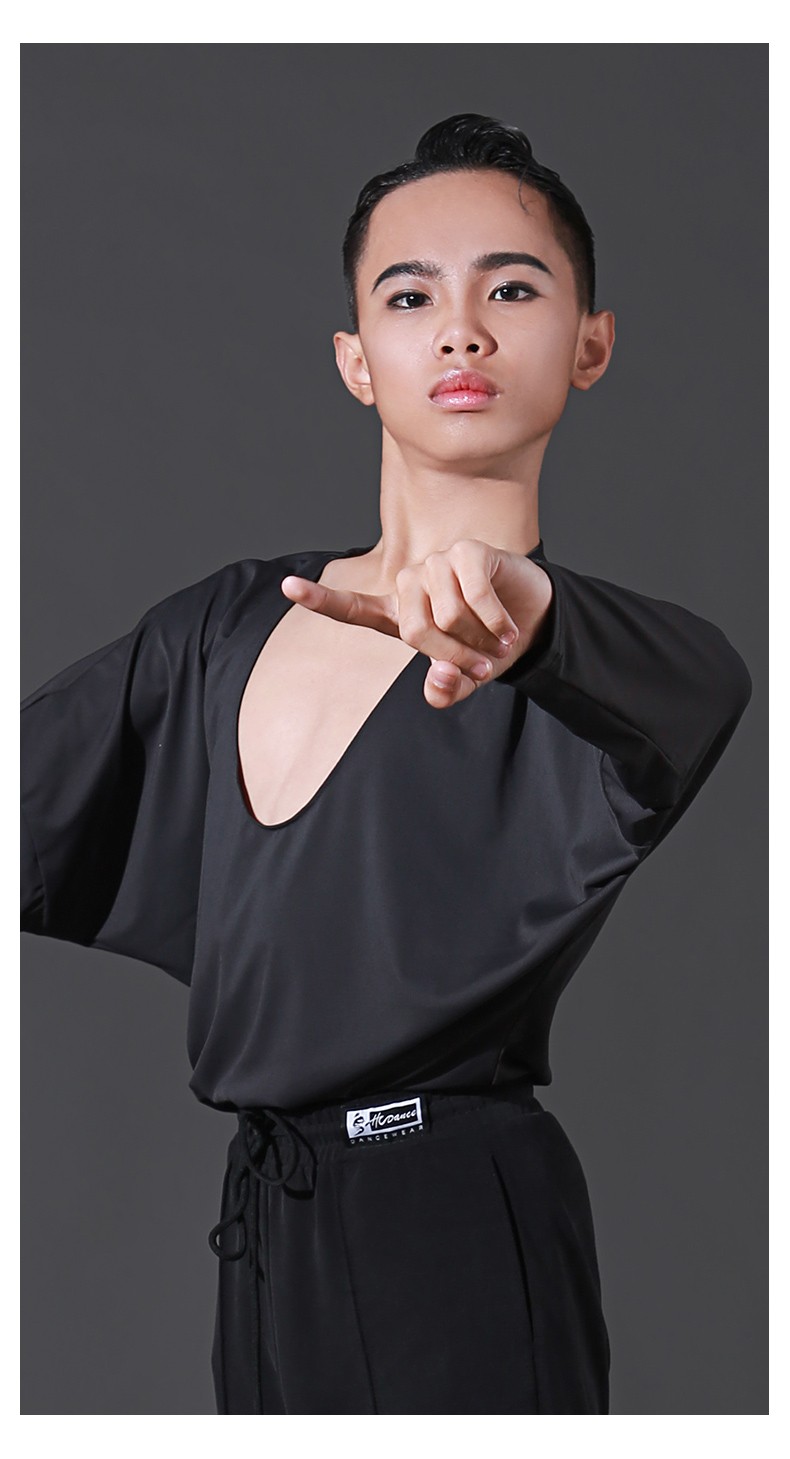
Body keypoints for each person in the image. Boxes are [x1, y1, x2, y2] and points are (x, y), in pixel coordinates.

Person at [20, 112, 752, 1415]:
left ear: (590, 343)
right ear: (357, 360)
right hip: (268, 1235)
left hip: (454, 1236)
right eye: (411, 297)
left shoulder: (590, 670)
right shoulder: (223, 628)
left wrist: (529, 621)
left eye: (510, 290)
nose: (460, 331)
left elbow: (700, 686)